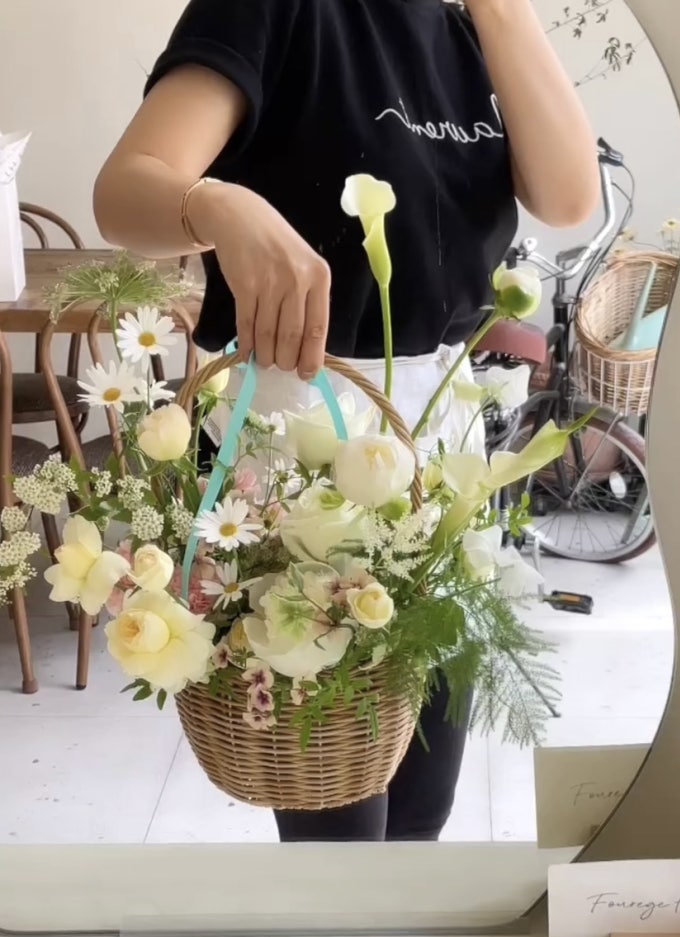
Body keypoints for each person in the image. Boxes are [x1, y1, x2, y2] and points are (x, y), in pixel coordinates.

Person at [94, 0, 599, 843]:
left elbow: (568, 196)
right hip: (299, 430)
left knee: (424, 799)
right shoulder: (283, 11)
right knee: (336, 808)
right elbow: (124, 191)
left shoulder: (471, 31)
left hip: (441, 437)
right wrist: (216, 205)